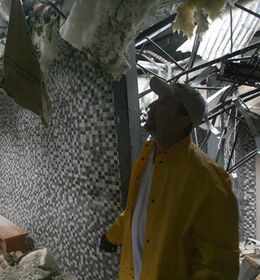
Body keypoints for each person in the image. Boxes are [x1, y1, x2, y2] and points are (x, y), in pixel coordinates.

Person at [100, 77, 239, 279]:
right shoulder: (147, 155)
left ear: (183, 121)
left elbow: (217, 265)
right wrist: (113, 235)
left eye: (164, 103)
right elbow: (139, 210)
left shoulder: (208, 179)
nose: (152, 105)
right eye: (157, 99)